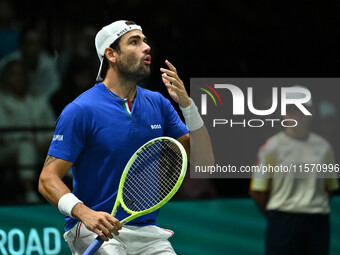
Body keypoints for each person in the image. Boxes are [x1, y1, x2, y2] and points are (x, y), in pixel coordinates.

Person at [38, 20, 214, 254]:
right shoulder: (81, 110)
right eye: (134, 42)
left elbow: (205, 162)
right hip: (95, 230)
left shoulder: (158, 104)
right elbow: (47, 179)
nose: (146, 47)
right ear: (111, 54)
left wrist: (187, 105)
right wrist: (84, 213)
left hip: (147, 232)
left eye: (145, 41)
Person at [249, 87, 339, 255]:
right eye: (291, 109)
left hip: (317, 221)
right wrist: (279, 214)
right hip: (283, 221)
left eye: (302, 109)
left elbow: (330, 187)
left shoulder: (324, 147)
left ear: (311, 112)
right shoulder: (271, 147)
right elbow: (257, 191)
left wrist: (310, 205)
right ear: (283, 113)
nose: (297, 115)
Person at [0, 60, 55, 203]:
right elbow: (4, 133)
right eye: (14, 74)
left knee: (62, 147)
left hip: (42, 148)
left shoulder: (39, 100)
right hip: (8, 150)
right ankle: (29, 192)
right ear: (6, 77)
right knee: (26, 147)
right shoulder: (2, 100)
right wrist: (30, 140)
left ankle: (71, 188)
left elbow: (53, 126)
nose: (19, 78)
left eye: (22, 74)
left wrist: (47, 141)